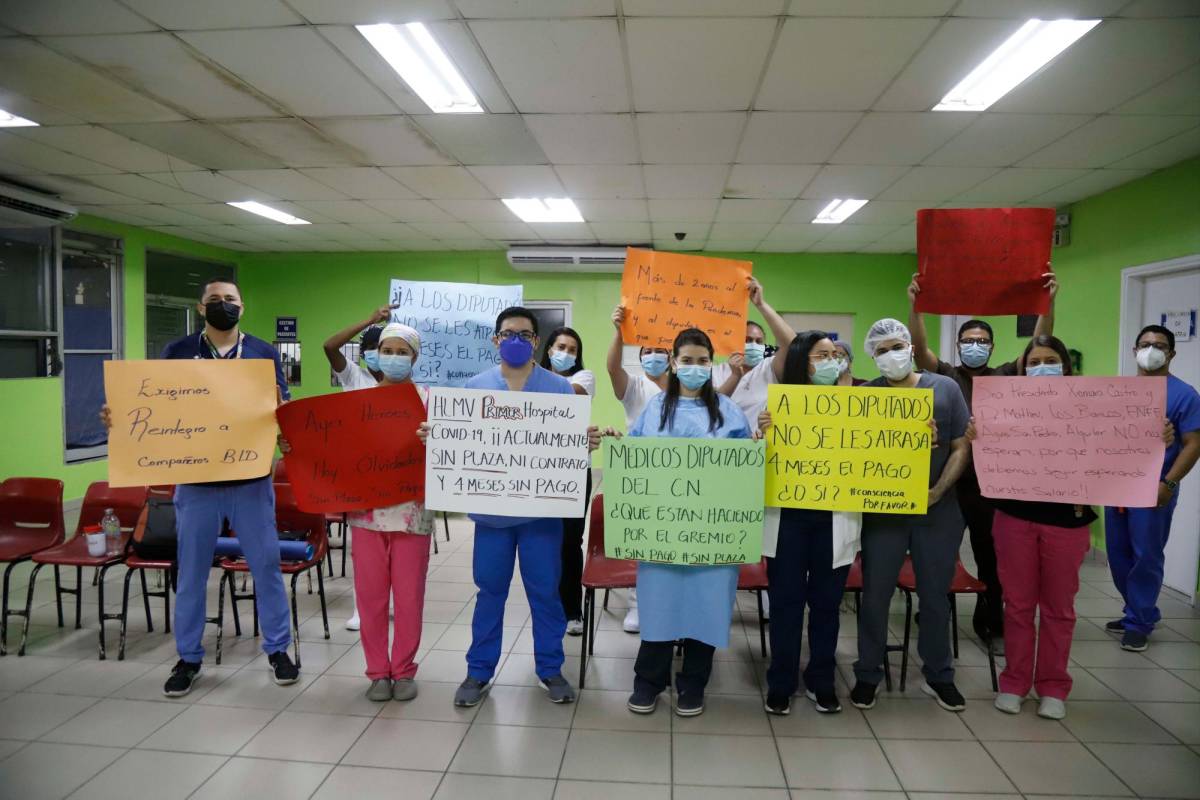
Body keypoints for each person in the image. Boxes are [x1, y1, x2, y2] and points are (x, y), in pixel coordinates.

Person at [100, 278, 298, 697]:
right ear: (200, 307)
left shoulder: (263, 353)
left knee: (265, 567)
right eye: (215, 300)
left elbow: (280, 407)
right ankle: (188, 657)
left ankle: (278, 649)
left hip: (250, 480)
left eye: (230, 299)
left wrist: (286, 424)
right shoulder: (177, 351)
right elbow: (151, 406)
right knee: (190, 573)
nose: (223, 305)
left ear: (242, 307)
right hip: (196, 482)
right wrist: (118, 416)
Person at [423, 307, 599, 708]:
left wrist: (584, 442)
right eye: (508, 334)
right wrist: (437, 437)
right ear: (496, 339)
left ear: (536, 342)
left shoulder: (560, 390)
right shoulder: (474, 388)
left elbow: (568, 445)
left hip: (541, 517)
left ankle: (550, 668)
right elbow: (460, 442)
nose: (515, 340)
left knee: (546, 593)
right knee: (489, 592)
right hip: (492, 518)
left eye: (524, 334)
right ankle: (478, 671)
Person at [282, 322, 433, 702]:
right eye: (388, 351)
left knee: (409, 598)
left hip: (413, 515)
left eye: (402, 352)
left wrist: (435, 439)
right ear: (376, 355)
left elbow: (450, 453)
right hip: (366, 515)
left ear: (414, 357)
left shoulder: (429, 400)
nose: (394, 358)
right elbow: (328, 444)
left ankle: (404, 670)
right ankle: (378, 672)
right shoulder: (356, 401)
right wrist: (294, 443)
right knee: (371, 597)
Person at [908, 268, 1058, 646]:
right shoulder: (945, 375)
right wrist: (916, 307)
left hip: (989, 488)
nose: (975, 345)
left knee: (990, 557)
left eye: (982, 341)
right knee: (939, 554)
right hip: (947, 484)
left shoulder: (1004, 375)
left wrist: (1048, 303)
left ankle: (990, 621)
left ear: (991, 347)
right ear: (959, 345)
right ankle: (934, 610)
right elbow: (920, 351)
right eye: (969, 340)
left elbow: (1037, 347)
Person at [625, 328, 755, 717]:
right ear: (674, 362)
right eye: (687, 360)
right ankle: (648, 681)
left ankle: (693, 683)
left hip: (712, 533)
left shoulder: (729, 411)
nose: (695, 367)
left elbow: (744, 471)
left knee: (707, 605)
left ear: (712, 364)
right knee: (659, 604)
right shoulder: (655, 408)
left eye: (702, 361)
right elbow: (633, 459)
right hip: (662, 529)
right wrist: (616, 444)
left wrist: (755, 450)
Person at [852, 318, 972, 713]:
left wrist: (938, 491)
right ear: (872, 357)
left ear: (911, 347)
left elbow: (961, 446)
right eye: (881, 351)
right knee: (875, 596)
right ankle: (868, 672)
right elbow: (852, 454)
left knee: (935, 597)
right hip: (883, 513)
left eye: (897, 347)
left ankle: (939, 674)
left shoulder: (945, 389)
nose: (891, 355)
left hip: (937, 512)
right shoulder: (865, 396)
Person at [989, 335, 1096, 721]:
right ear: (1023, 369)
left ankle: (1053, 686)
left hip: (1067, 521)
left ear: (1065, 367)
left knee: (1059, 608)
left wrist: (1156, 436)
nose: (1041, 368)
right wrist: (977, 435)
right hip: (1014, 517)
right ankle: (1015, 682)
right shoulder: (1005, 407)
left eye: (1050, 361)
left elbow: (1115, 449)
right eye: (1033, 363)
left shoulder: (1091, 407)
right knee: (1017, 605)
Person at [759, 331, 857, 715]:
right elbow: (755, 459)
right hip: (787, 522)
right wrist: (761, 433)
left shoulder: (859, 406)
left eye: (835, 355)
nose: (832, 362)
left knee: (826, 605)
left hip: (835, 522)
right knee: (785, 604)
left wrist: (919, 437)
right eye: (822, 355)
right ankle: (781, 681)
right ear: (803, 361)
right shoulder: (776, 404)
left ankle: (821, 679)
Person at [1104, 324, 1200, 652]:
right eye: (1145, 344)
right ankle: (1137, 609)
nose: (1151, 350)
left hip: (1154, 488)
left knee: (1146, 555)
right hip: (1117, 486)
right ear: (1134, 351)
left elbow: (1194, 444)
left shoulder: (1184, 395)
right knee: (1118, 555)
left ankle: (1139, 622)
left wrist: (1169, 483)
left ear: (1171, 353)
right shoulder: (1119, 393)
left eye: (1159, 345)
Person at [323, 306, 390, 632]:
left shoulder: (405, 385)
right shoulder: (354, 377)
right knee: (364, 549)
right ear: (363, 354)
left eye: (384, 349)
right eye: (371, 349)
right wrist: (370, 321)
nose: (377, 355)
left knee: (394, 546)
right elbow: (329, 346)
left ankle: (389, 601)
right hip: (362, 475)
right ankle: (362, 608)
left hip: (396, 473)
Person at [606, 305, 672, 634]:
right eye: (648, 351)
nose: (654, 356)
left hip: (680, 474)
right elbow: (612, 367)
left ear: (671, 357)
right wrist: (619, 331)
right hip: (642, 474)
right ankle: (637, 603)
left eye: (661, 350)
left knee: (673, 540)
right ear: (640, 356)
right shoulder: (634, 387)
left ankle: (670, 603)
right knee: (644, 540)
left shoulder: (686, 389)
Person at [541, 327, 595, 636]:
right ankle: (548, 607)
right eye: (560, 346)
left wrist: (531, 379)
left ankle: (572, 610)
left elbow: (570, 395)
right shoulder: (531, 379)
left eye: (572, 349)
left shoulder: (584, 377)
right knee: (542, 541)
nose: (566, 353)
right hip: (537, 468)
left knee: (570, 541)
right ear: (548, 349)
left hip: (573, 469)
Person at [716, 277, 798, 425]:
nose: (753, 345)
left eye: (759, 341)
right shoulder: (717, 372)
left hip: (760, 438)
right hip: (725, 439)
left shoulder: (769, 368)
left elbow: (792, 344)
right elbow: (710, 407)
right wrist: (735, 376)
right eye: (747, 340)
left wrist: (761, 304)